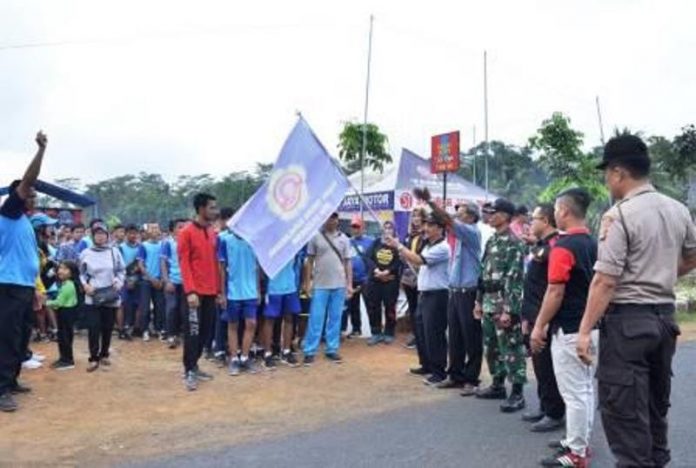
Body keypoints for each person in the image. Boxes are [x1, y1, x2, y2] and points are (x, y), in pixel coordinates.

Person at [576, 134, 696, 467]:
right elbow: (691, 256)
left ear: (617, 173)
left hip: (627, 324)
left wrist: (585, 331)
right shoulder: (678, 209)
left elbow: (605, 279)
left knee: (626, 417)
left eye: (606, 174)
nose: (607, 180)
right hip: (664, 321)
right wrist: (661, 274)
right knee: (654, 409)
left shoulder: (620, 215)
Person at [529, 189, 597, 467]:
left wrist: (539, 326)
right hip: (589, 326)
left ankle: (577, 453)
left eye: (556, 209)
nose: (554, 214)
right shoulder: (592, 242)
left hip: (569, 329)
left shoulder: (564, 247)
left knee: (575, 393)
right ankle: (578, 441)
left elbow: (554, 292)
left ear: (564, 212)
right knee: (585, 389)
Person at [0, 131, 47, 412]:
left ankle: (12, 380)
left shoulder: (26, 223)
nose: (34, 197)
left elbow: (29, 259)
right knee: (6, 337)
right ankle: (1, 389)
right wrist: (41, 150)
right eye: (31, 193)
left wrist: (35, 290)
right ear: (20, 195)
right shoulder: (10, 213)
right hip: (7, 286)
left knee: (20, 336)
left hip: (23, 287)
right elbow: (28, 179)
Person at [424, 196, 483, 396]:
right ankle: (455, 374)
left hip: (469, 292)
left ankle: (471, 378)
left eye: (462, 211)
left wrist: (431, 203)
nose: (458, 213)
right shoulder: (458, 238)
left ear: (471, 217)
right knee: (455, 335)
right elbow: (448, 222)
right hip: (455, 291)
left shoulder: (471, 233)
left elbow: (448, 220)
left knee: (471, 336)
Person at [387, 210, 451, 385]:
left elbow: (419, 260)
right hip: (425, 293)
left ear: (440, 229)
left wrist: (399, 246)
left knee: (434, 333)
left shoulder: (442, 247)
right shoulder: (429, 245)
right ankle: (427, 364)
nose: (426, 228)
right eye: (426, 224)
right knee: (422, 330)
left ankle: (439, 371)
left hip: (438, 295)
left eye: (431, 225)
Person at [475, 198, 527, 413]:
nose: (490, 215)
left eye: (494, 212)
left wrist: (508, 310)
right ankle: (497, 384)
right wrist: (478, 301)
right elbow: (482, 272)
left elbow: (514, 279)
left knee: (511, 347)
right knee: (492, 346)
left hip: (504, 303)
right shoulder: (493, 240)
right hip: (488, 301)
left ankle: (517, 392)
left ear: (505, 216)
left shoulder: (514, 243)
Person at [519, 203, 565, 433]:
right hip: (533, 312)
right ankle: (545, 406)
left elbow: (554, 286)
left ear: (546, 221)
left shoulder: (555, 244)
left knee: (547, 365)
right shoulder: (541, 245)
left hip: (544, 315)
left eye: (534, 218)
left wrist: (542, 321)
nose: (530, 223)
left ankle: (555, 412)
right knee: (539, 364)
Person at [178, 193, 220, 391]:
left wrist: (219, 290)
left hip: (211, 291)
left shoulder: (212, 232)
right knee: (193, 333)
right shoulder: (186, 232)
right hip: (195, 294)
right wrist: (190, 291)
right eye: (211, 207)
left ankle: (194, 364)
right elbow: (184, 263)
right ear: (201, 209)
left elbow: (215, 263)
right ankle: (189, 371)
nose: (215, 211)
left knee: (205, 333)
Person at [302, 212, 353, 366]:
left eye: (333, 218)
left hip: (339, 284)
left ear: (337, 220)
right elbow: (309, 262)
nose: (330, 220)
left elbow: (348, 263)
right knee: (316, 318)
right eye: (328, 217)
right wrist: (307, 283)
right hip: (320, 284)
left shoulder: (344, 239)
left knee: (335, 318)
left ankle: (332, 349)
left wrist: (349, 284)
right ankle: (310, 351)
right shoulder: (315, 237)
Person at [79, 221, 126, 373]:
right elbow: (80, 273)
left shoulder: (114, 251)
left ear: (107, 236)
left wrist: (118, 282)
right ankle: (93, 358)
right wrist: (85, 285)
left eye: (102, 234)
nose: (100, 237)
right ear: (92, 236)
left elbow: (121, 270)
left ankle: (104, 354)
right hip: (93, 294)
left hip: (110, 294)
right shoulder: (86, 253)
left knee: (107, 327)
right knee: (93, 327)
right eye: (97, 234)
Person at [219, 229, 261, 374]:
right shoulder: (225, 241)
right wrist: (223, 293)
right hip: (233, 292)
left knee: (251, 323)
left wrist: (258, 290)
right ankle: (234, 359)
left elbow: (256, 268)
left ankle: (244, 357)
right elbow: (221, 269)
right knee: (233, 325)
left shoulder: (253, 240)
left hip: (250, 292)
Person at [264, 253, 303, 368]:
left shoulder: (292, 245)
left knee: (289, 318)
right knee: (269, 320)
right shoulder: (270, 245)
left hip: (290, 286)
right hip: (273, 287)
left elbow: (298, 263)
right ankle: (267, 353)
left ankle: (286, 351)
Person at [366, 221, 401, 346]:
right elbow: (368, 258)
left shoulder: (397, 245)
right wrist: (377, 271)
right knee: (374, 306)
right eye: (385, 228)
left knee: (390, 307)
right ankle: (376, 332)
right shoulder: (376, 243)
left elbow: (399, 262)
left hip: (390, 281)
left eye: (390, 228)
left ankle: (389, 332)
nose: (387, 230)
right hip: (375, 281)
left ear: (393, 230)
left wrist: (387, 271)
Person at [343, 217, 374, 338]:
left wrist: (371, 276)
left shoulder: (370, 242)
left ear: (363, 227)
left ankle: (374, 329)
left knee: (370, 305)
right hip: (352, 279)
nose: (355, 229)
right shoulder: (347, 242)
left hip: (366, 279)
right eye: (353, 227)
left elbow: (374, 259)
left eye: (357, 227)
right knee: (353, 306)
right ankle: (356, 329)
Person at [47, 261, 81, 370]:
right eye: (60, 268)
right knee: (63, 336)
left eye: (65, 269)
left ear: (72, 273)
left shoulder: (68, 285)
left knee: (65, 337)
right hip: (66, 313)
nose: (60, 271)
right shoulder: (66, 284)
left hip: (66, 313)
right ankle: (64, 358)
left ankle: (67, 360)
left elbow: (59, 302)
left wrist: (46, 303)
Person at [400, 208, 426, 349]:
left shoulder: (425, 236)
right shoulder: (409, 236)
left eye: (418, 216)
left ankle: (421, 337)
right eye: (413, 216)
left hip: (421, 275)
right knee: (412, 307)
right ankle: (416, 335)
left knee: (420, 310)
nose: (415, 219)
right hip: (408, 277)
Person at [161, 219, 187, 349]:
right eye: (180, 227)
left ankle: (182, 335)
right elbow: (163, 263)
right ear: (173, 230)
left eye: (185, 227)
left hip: (186, 282)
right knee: (171, 308)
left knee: (184, 310)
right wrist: (167, 281)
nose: (183, 229)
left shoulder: (189, 243)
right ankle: (171, 335)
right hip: (173, 281)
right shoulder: (168, 244)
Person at [137, 223, 166, 342]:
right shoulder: (143, 246)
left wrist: (162, 279)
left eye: (156, 228)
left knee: (160, 306)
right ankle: (145, 330)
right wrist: (151, 278)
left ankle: (158, 329)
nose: (154, 230)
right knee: (145, 307)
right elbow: (141, 265)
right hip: (146, 280)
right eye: (152, 228)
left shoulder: (163, 245)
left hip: (160, 280)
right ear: (147, 231)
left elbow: (165, 263)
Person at [117, 224, 141, 340]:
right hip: (123, 278)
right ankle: (121, 329)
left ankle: (136, 328)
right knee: (121, 304)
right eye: (130, 233)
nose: (133, 235)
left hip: (138, 278)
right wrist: (126, 279)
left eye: (135, 233)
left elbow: (141, 263)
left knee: (138, 304)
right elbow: (119, 266)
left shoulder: (141, 247)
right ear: (126, 234)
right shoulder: (120, 248)